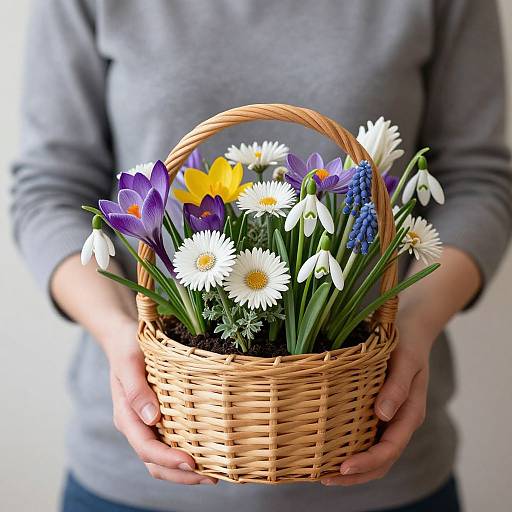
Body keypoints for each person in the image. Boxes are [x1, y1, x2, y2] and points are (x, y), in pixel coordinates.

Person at [11, 1, 511, 511]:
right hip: (139, 469)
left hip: (377, 461)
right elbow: (48, 189)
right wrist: (121, 334)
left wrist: (414, 323)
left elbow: (478, 181)